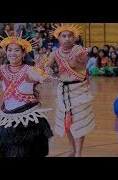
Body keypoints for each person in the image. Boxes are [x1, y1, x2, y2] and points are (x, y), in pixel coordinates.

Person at [0, 31, 53, 157]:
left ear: (24, 53)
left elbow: (36, 75)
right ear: (5, 52)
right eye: (10, 50)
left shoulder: (28, 69)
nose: (12, 53)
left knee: (27, 153)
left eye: (17, 50)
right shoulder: (1, 69)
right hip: (8, 117)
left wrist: (42, 77)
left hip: (27, 119)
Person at [44, 24, 95, 157]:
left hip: (79, 89)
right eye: (64, 36)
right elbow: (47, 63)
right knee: (68, 123)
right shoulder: (55, 53)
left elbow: (74, 64)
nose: (67, 39)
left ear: (74, 38)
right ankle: (73, 150)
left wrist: (60, 63)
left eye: (70, 36)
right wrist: (46, 68)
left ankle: (78, 153)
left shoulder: (79, 50)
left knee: (79, 122)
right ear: (58, 38)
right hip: (63, 90)